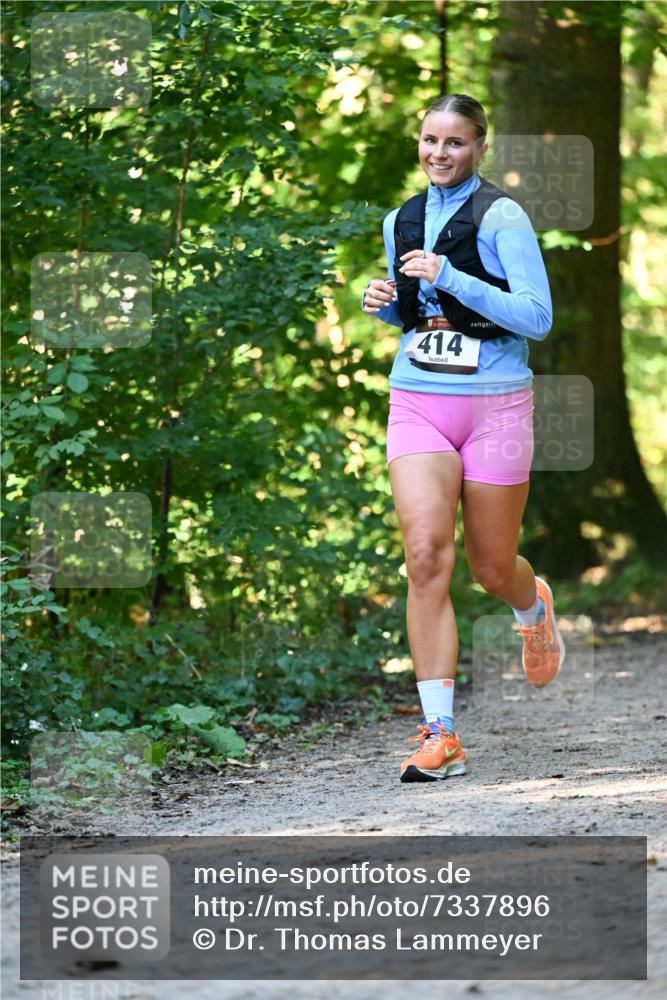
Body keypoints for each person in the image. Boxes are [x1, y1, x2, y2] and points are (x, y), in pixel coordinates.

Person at [362, 93, 565, 783]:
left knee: (489, 565)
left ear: (480, 146)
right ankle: (440, 734)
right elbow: (419, 315)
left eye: (453, 142)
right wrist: (388, 305)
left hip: (496, 406)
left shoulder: (502, 217)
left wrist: (449, 275)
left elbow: (535, 317)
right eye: (428, 140)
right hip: (419, 399)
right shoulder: (402, 219)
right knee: (423, 555)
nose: (438, 154)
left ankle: (529, 604)